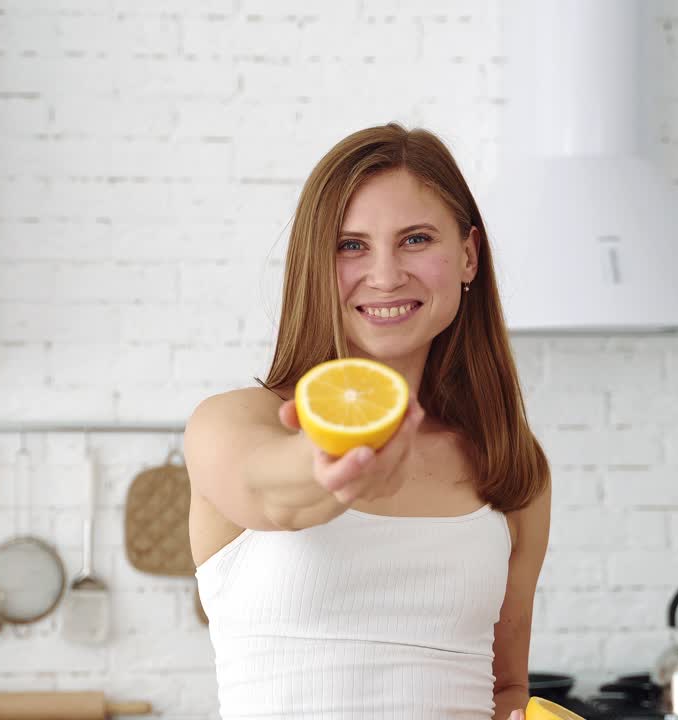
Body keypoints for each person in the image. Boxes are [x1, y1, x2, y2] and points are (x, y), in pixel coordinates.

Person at [184, 123, 551, 720]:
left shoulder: (512, 463)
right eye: (351, 245)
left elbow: (505, 686)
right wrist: (334, 465)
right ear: (314, 265)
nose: (384, 275)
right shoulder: (232, 422)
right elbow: (276, 497)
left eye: (415, 239)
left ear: (467, 255)